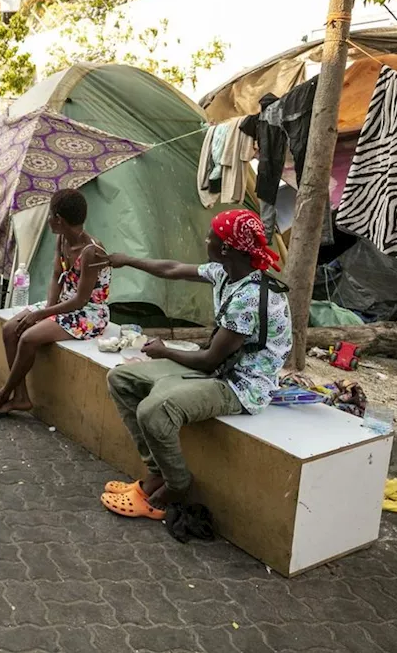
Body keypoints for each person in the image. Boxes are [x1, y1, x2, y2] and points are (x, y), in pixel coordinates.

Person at [102, 209, 291, 519]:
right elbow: (173, 268)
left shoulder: (250, 298)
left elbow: (207, 361)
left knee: (153, 411)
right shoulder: (227, 273)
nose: (205, 241)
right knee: (121, 379)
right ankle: (158, 472)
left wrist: (164, 351)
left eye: (210, 237)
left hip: (241, 386)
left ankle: (177, 486)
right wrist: (128, 260)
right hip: (220, 369)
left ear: (226, 248)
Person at [0, 188, 110, 422]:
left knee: (27, 337)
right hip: (64, 304)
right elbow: (57, 276)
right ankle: (21, 397)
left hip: (89, 314)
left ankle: (5, 393)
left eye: (50, 215)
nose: (48, 221)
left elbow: (81, 300)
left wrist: (45, 314)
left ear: (59, 220)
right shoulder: (62, 239)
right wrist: (48, 307)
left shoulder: (92, 252)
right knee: (10, 329)